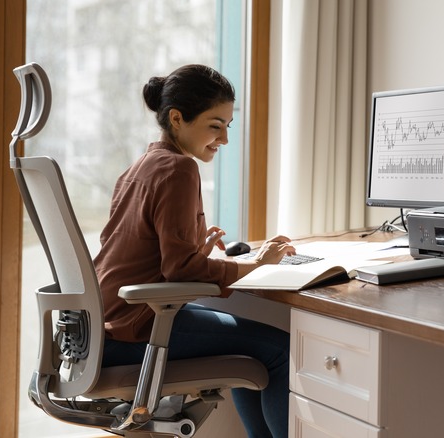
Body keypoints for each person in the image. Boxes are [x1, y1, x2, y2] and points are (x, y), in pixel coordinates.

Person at [93, 64, 294, 438]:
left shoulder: (140, 167)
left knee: (253, 351)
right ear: (177, 118)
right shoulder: (179, 168)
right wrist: (256, 263)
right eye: (215, 126)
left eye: (227, 126)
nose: (225, 139)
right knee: (280, 350)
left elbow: (138, 254)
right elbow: (182, 271)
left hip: (104, 329)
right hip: (135, 331)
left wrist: (195, 252)